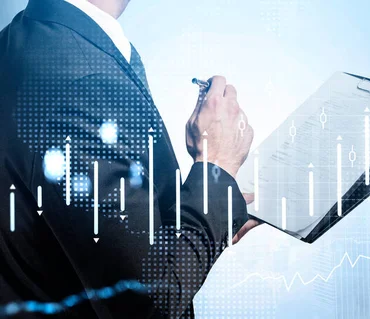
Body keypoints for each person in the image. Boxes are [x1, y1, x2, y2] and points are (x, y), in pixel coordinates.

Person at [0, 0, 259, 317]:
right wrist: (216, 166)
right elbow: (149, 305)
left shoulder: (26, 39)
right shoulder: (82, 81)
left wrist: (214, 214)